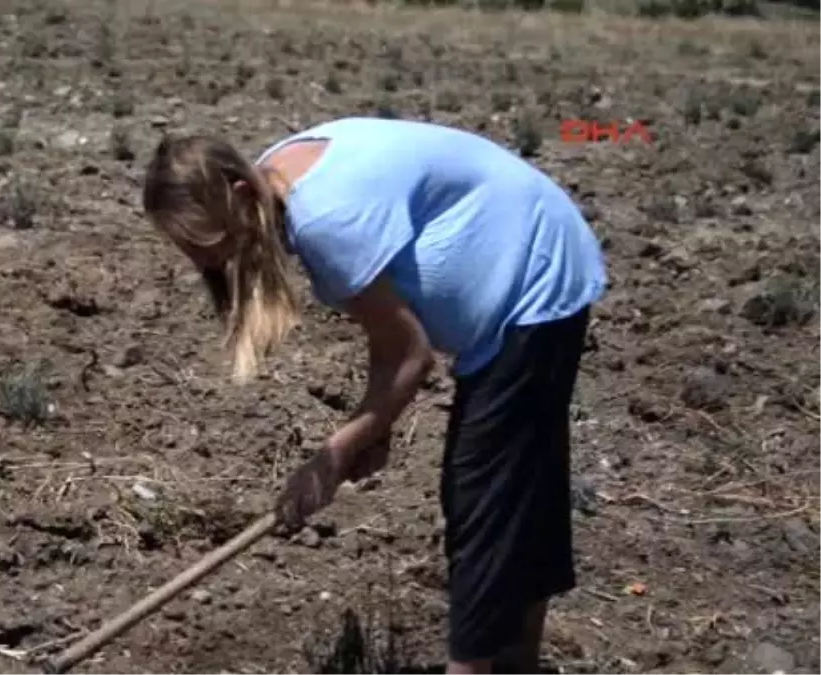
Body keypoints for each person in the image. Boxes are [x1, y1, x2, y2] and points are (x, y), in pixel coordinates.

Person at [141, 116, 607, 675]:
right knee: (521, 485)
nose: (207, 262)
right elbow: (390, 333)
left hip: (531, 279)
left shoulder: (324, 220)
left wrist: (334, 455)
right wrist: (373, 425)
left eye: (208, 243)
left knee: (481, 500)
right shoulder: (277, 172)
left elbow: (410, 356)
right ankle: (517, 665)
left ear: (239, 193)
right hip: (527, 256)